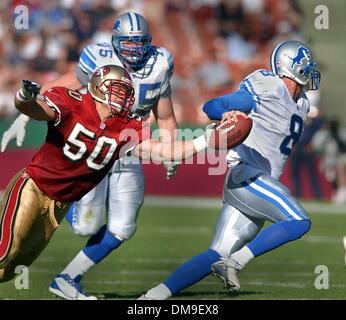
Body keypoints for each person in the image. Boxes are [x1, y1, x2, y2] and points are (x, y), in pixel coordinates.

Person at [1, 12, 179, 299]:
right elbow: (62, 86)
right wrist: (25, 114)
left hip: (128, 146)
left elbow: (166, 114)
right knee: (86, 226)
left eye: (140, 43)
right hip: (93, 148)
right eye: (128, 43)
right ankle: (62, 200)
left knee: (123, 228)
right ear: (114, 41)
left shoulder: (160, 64)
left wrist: (171, 150)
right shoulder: (97, 56)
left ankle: (68, 278)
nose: (134, 50)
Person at [0, 64, 212, 291]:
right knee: (4, 254)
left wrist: (206, 140)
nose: (122, 97)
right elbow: (36, 110)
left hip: (61, 205)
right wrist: (24, 98)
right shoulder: (72, 102)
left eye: (126, 92)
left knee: (9, 270)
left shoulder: (127, 127)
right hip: (34, 187)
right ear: (97, 87)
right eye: (117, 89)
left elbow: (164, 152)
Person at [138, 40, 320, 300]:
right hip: (247, 176)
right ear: (290, 66)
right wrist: (225, 114)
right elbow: (212, 106)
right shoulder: (269, 86)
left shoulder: (302, 103)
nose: (311, 70)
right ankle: (237, 262)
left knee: (217, 253)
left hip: (258, 182)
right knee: (299, 221)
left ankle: (152, 297)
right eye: (306, 65)